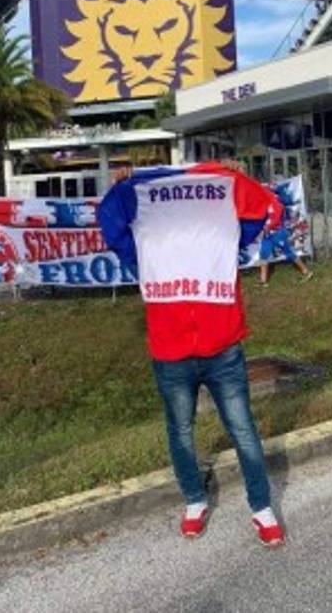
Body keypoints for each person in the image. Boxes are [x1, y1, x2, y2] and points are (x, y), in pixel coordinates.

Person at [98, 161, 286, 547]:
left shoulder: (221, 204)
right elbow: (113, 228)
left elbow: (262, 210)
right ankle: (195, 500)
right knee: (181, 431)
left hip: (223, 346)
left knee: (243, 428)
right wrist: (122, 188)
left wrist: (234, 177)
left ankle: (261, 506)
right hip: (171, 351)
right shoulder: (143, 213)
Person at [259, 187, 312, 287]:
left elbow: (275, 220)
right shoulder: (267, 203)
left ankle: (306, 271)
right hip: (268, 234)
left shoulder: (277, 204)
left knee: (289, 253)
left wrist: (267, 227)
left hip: (277, 233)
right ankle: (263, 281)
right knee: (263, 253)